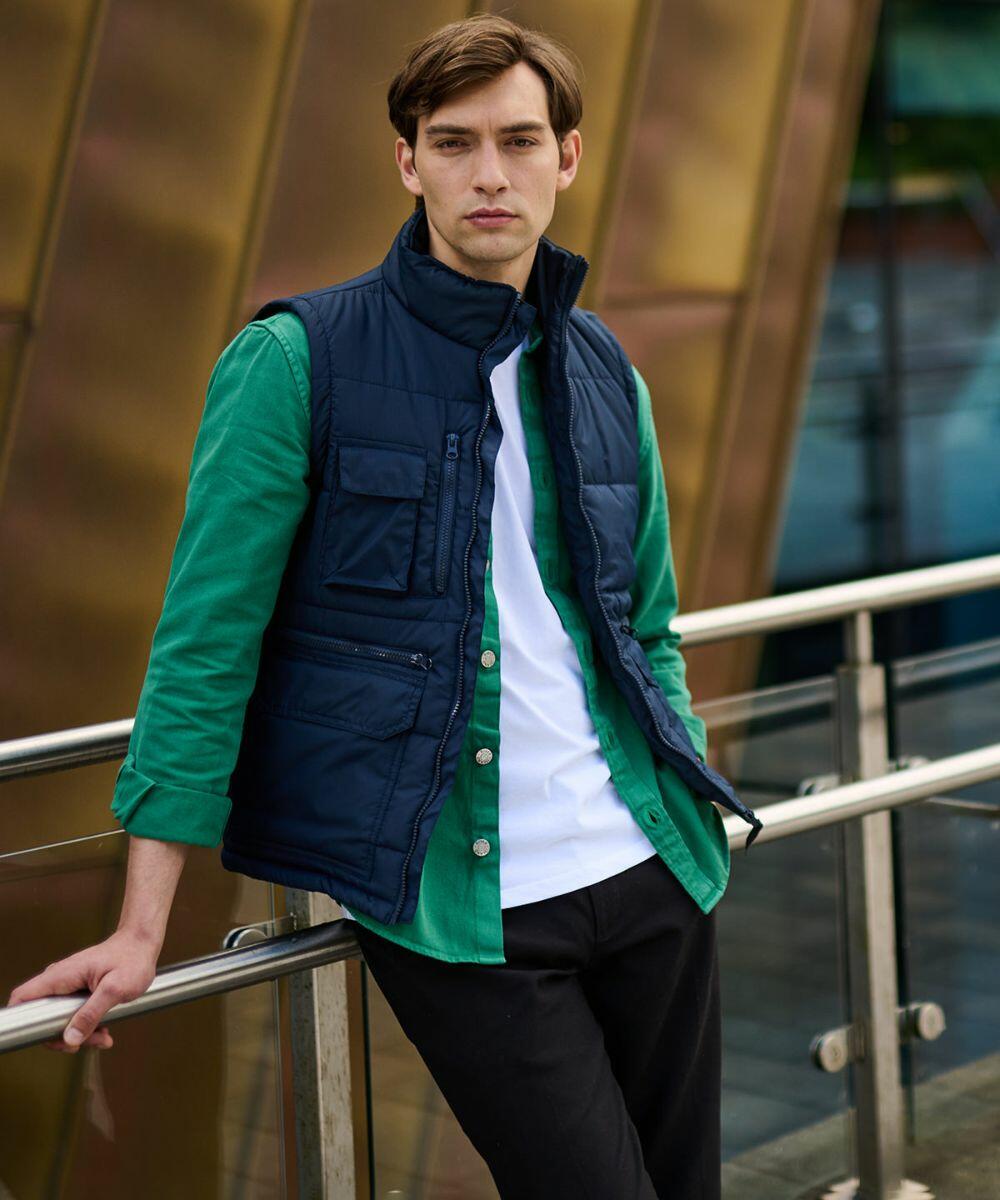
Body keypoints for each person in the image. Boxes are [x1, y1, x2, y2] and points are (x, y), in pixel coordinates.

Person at [8, 14, 761, 1199]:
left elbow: (645, 622)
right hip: (463, 907)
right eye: (453, 143)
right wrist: (143, 922)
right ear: (406, 161)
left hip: (652, 871)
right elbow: (205, 647)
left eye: (519, 141)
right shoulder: (297, 360)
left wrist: (680, 790)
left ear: (569, 156)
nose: (489, 175)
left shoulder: (604, 368)